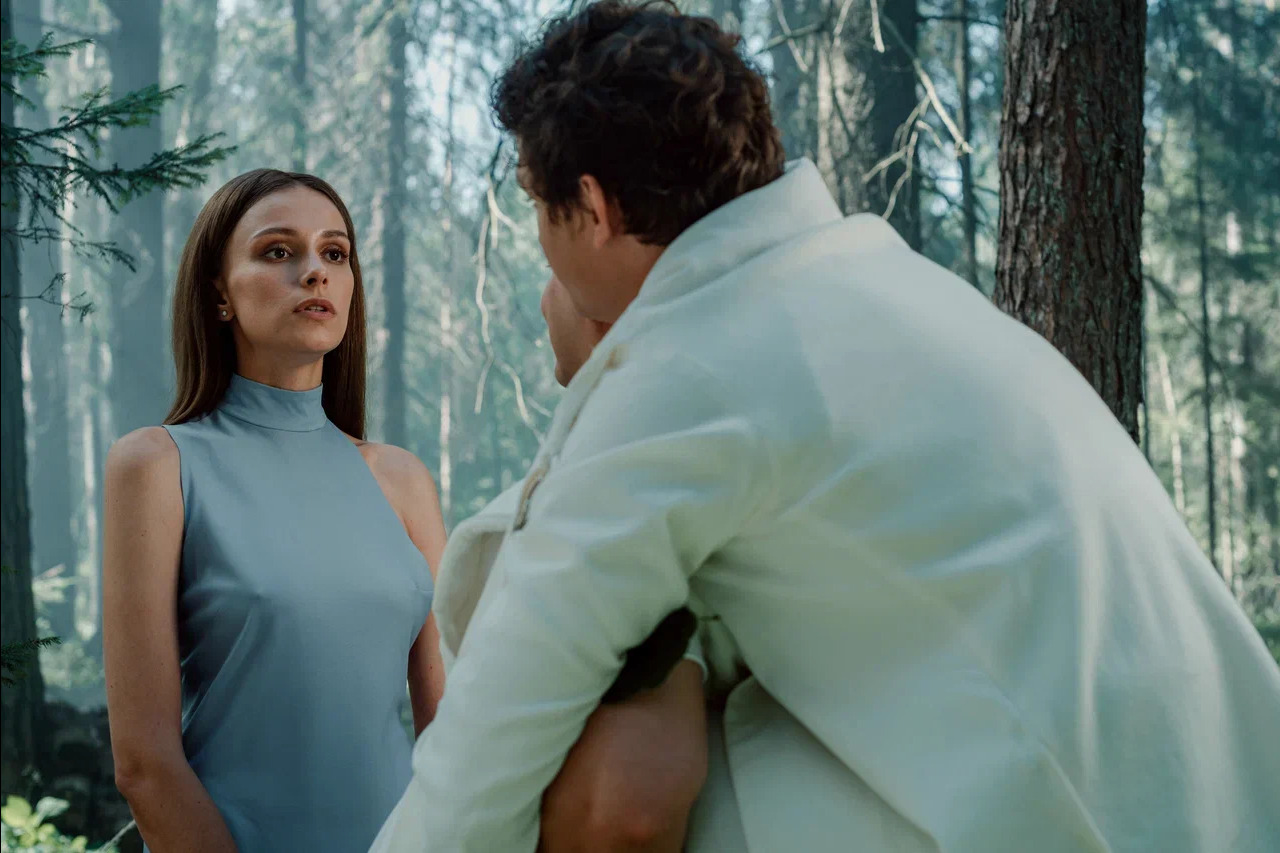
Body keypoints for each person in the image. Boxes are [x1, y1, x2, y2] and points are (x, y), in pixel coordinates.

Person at [376, 2, 1280, 851]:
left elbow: (502, 720)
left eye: (541, 210)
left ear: (596, 207)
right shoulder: (881, 281)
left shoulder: (695, 367)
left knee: (613, 747)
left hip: (1081, 817)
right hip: (1216, 788)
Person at [102, 169, 448, 851]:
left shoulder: (402, 480)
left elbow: (454, 731)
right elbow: (144, 764)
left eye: (335, 253)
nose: (315, 272)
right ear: (219, 294)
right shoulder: (157, 465)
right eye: (278, 251)